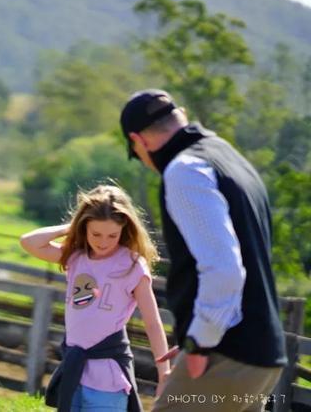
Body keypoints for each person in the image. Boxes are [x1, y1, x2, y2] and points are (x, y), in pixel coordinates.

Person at [119, 89, 287, 411]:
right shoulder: (226, 155)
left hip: (225, 354)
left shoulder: (185, 170)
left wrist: (199, 341)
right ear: (179, 114)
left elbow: (224, 268)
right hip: (263, 354)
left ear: (138, 140)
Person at [20, 184, 170, 412]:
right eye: (95, 234)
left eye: (112, 235)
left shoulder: (132, 265)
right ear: (84, 228)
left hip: (107, 379)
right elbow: (28, 241)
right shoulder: (76, 257)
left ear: (124, 230)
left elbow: (153, 322)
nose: (103, 242)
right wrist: (72, 226)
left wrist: (164, 372)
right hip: (74, 371)